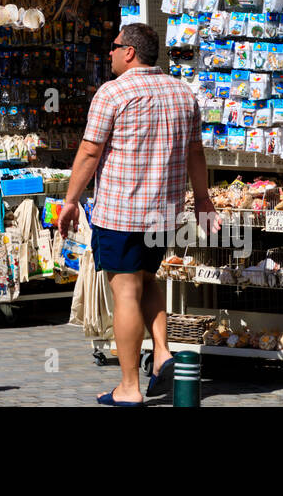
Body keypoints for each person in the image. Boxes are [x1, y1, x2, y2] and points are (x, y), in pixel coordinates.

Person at [57, 22, 218, 406]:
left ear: (129, 51)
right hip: (164, 213)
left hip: (121, 213)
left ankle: (129, 387)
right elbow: (196, 152)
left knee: (126, 292)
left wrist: (70, 200)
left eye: (113, 47)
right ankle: (162, 354)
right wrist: (203, 198)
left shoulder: (113, 93)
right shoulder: (183, 92)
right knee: (148, 279)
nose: (108, 53)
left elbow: (90, 152)